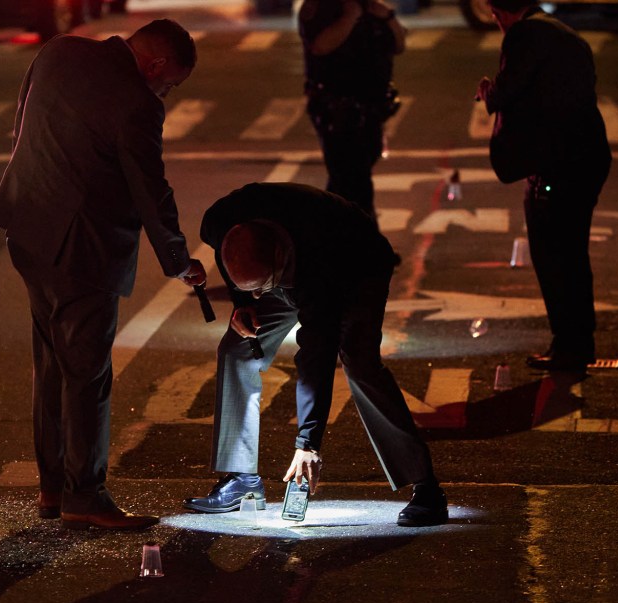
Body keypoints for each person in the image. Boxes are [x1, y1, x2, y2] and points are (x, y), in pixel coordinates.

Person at [0, 19, 207, 530]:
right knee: (86, 374)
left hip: (27, 225)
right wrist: (178, 260)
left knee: (51, 364)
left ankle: (52, 486)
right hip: (83, 249)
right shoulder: (137, 102)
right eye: (170, 83)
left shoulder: (59, 52)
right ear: (154, 65)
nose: (166, 92)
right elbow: (150, 189)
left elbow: (24, 125)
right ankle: (84, 494)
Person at [183, 182, 448, 527]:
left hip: (357, 265)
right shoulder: (219, 222)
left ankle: (426, 487)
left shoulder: (318, 268)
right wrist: (244, 302)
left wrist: (307, 443)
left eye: (264, 288)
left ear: (281, 260)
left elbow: (316, 359)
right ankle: (242, 481)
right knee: (237, 349)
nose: (264, 296)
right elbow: (235, 260)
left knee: (360, 362)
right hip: (282, 263)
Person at [475, 0, 611, 372]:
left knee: (553, 255)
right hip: (586, 155)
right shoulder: (559, 31)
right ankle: (578, 341)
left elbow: (509, 90)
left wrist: (490, 93)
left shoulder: (523, 34)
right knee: (572, 254)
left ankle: (569, 345)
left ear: (499, 12)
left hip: (558, 164)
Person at [298, 0, 405, 222]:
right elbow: (319, 46)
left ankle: (328, 232)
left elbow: (399, 45)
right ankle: (367, 244)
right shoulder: (319, 8)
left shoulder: (372, 9)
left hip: (371, 108)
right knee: (355, 180)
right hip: (338, 112)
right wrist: (349, 19)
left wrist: (389, 18)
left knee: (348, 178)